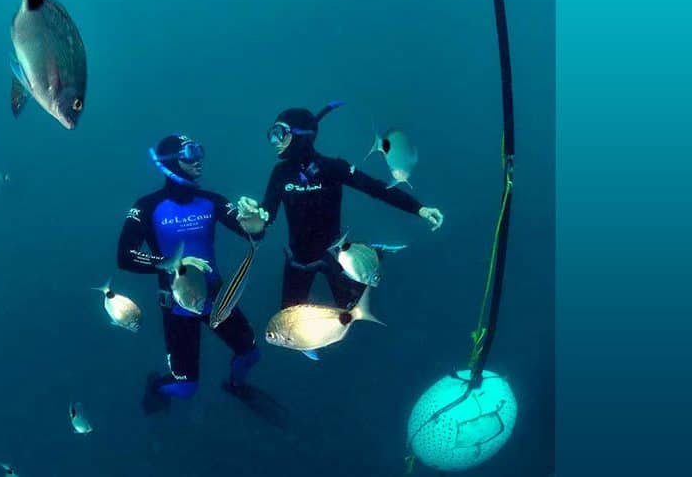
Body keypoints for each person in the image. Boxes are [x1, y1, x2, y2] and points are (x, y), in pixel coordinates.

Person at [116, 134, 278, 419]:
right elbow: (125, 256)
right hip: (177, 304)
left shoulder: (211, 201)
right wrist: (169, 262)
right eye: (190, 154)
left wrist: (255, 226)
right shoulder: (146, 206)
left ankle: (236, 386)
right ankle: (156, 386)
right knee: (186, 388)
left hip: (215, 296)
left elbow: (250, 232)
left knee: (251, 353)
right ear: (170, 162)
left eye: (200, 152)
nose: (198, 159)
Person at [237, 102, 445, 310]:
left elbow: (378, 189)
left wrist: (420, 208)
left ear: (300, 134)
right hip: (298, 259)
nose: (273, 141)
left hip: (336, 256)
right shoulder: (280, 173)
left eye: (279, 133)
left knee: (352, 315)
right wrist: (253, 218)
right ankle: (374, 252)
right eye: (271, 134)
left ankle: (373, 253)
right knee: (288, 326)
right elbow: (267, 217)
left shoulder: (334, 168)